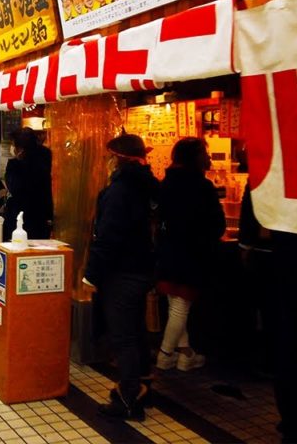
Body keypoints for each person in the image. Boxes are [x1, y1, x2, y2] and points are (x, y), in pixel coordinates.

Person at [85, 133, 159, 420]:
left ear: (118, 159)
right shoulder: (145, 185)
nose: (106, 162)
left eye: (109, 157)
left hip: (121, 274)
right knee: (137, 333)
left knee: (123, 338)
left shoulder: (120, 191)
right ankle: (144, 388)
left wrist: (91, 274)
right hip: (141, 270)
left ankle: (129, 399)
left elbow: (109, 237)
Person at [154, 138, 225, 372]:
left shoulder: (166, 183)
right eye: (205, 152)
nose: (209, 157)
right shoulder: (201, 187)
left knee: (175, 303)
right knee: (180, 306)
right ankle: (165, 355)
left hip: (167, 252)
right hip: (191, 255)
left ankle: (185, 354)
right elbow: (216, 225)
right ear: (194, 157)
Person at [2, 127, 54, 241]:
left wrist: (13, 165)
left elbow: (14, 189)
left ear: (20, 148)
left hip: (19, 219)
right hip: (41, 218)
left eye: (13, 144)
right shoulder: (45, 160)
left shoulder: (16, 166)